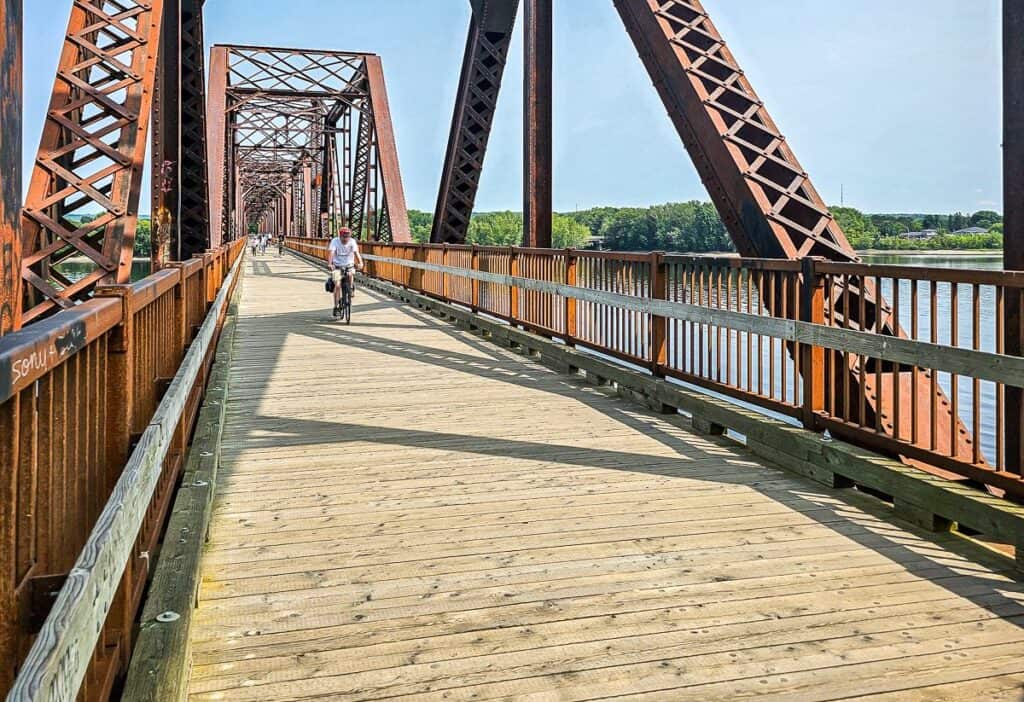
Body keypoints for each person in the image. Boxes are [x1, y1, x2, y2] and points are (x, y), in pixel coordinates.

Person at [328, 227, 364, 317]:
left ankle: (351, 288)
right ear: (340, 236)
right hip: (337, 266)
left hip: (349, 265)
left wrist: (360, 263)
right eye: (344, 237)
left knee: (350, 273)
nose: (345, 239)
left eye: (347, 236)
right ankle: (336, 307)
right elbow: (331, 253)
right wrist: (330, 264)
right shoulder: (335, 241)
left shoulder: (352, 242)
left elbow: (356, 253)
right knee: (337, 285)